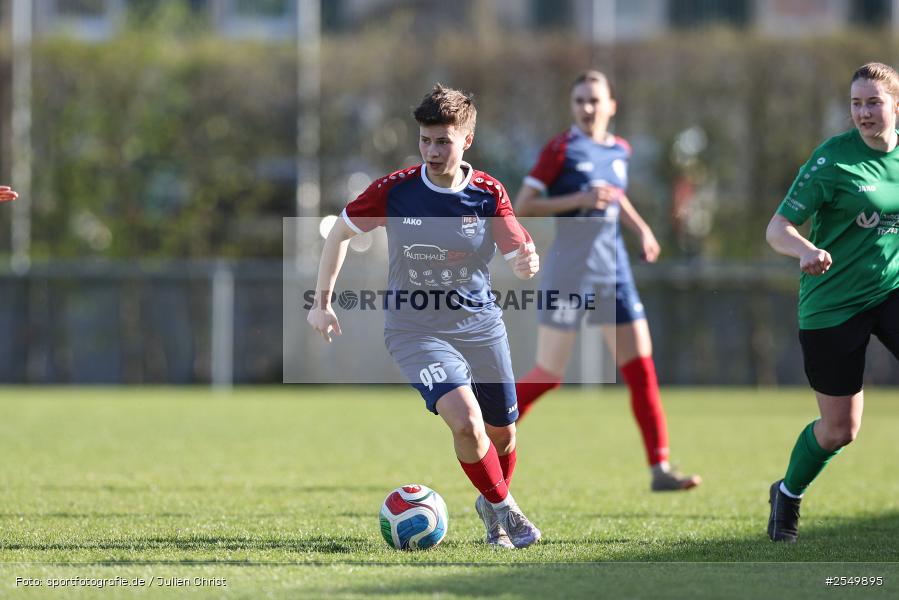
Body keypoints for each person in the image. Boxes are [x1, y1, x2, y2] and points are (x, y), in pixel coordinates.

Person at [308, 84, 543, 548]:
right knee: (466, 420)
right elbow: (338, 233)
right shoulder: (396, 190)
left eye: (443, 141)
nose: (432, 151)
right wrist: (321, 303)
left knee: (503, 435)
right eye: (425, 140)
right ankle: (506, 511)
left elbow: (518, 244)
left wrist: (525, 259)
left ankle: (490, 504)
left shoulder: (488, 192)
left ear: (466, 140)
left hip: (481, 325)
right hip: (415, 329)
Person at [513, 70, 701, 492]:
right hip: (569, 275)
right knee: (549, 373)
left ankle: (660, 469)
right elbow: (525, 204)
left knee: (641, 371)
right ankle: (491, 431)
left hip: (614, 275)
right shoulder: (560, 150)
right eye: (579, 100)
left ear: (611, 105)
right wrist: (578, 199)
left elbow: (616, 195)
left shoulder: (620, 150)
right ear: (572, 106)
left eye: (595, 100)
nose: (587, 108)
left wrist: (643, 230)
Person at [765, 62, 899, 542]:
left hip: (890, 292)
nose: (863, 113)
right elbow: (776, 228)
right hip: (832, 305)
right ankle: (788, 493)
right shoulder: (832, 161)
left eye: (873, 103)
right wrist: (805, 250)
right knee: (840, 429)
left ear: (895, 106)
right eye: (856, 103)